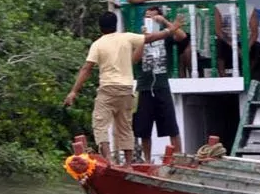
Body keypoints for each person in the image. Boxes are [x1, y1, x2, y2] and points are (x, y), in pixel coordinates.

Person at [64, 11, 184, 162]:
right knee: (125, 127)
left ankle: (108, 159)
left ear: (100, 28)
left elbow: (86, 69)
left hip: (108, 89)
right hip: (127, 90)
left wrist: (74, 91)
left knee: (99, 124)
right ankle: (128, 164)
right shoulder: (127, 37)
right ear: (116, 25)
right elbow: (150, 39)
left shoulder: (97, 44)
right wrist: (171, 29)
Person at [133, 6, 188, 157]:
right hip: (144, 87)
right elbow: (134, 59)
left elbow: (182, 36)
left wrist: (164, 22)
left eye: (153, 17)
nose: (149, 20)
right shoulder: (137, 37)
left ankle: (177, 157)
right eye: (147, 17)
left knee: (171, 126)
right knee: (144, 129)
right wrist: (144, 39)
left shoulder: (166, 37)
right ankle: (148, 160)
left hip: (162, 86)